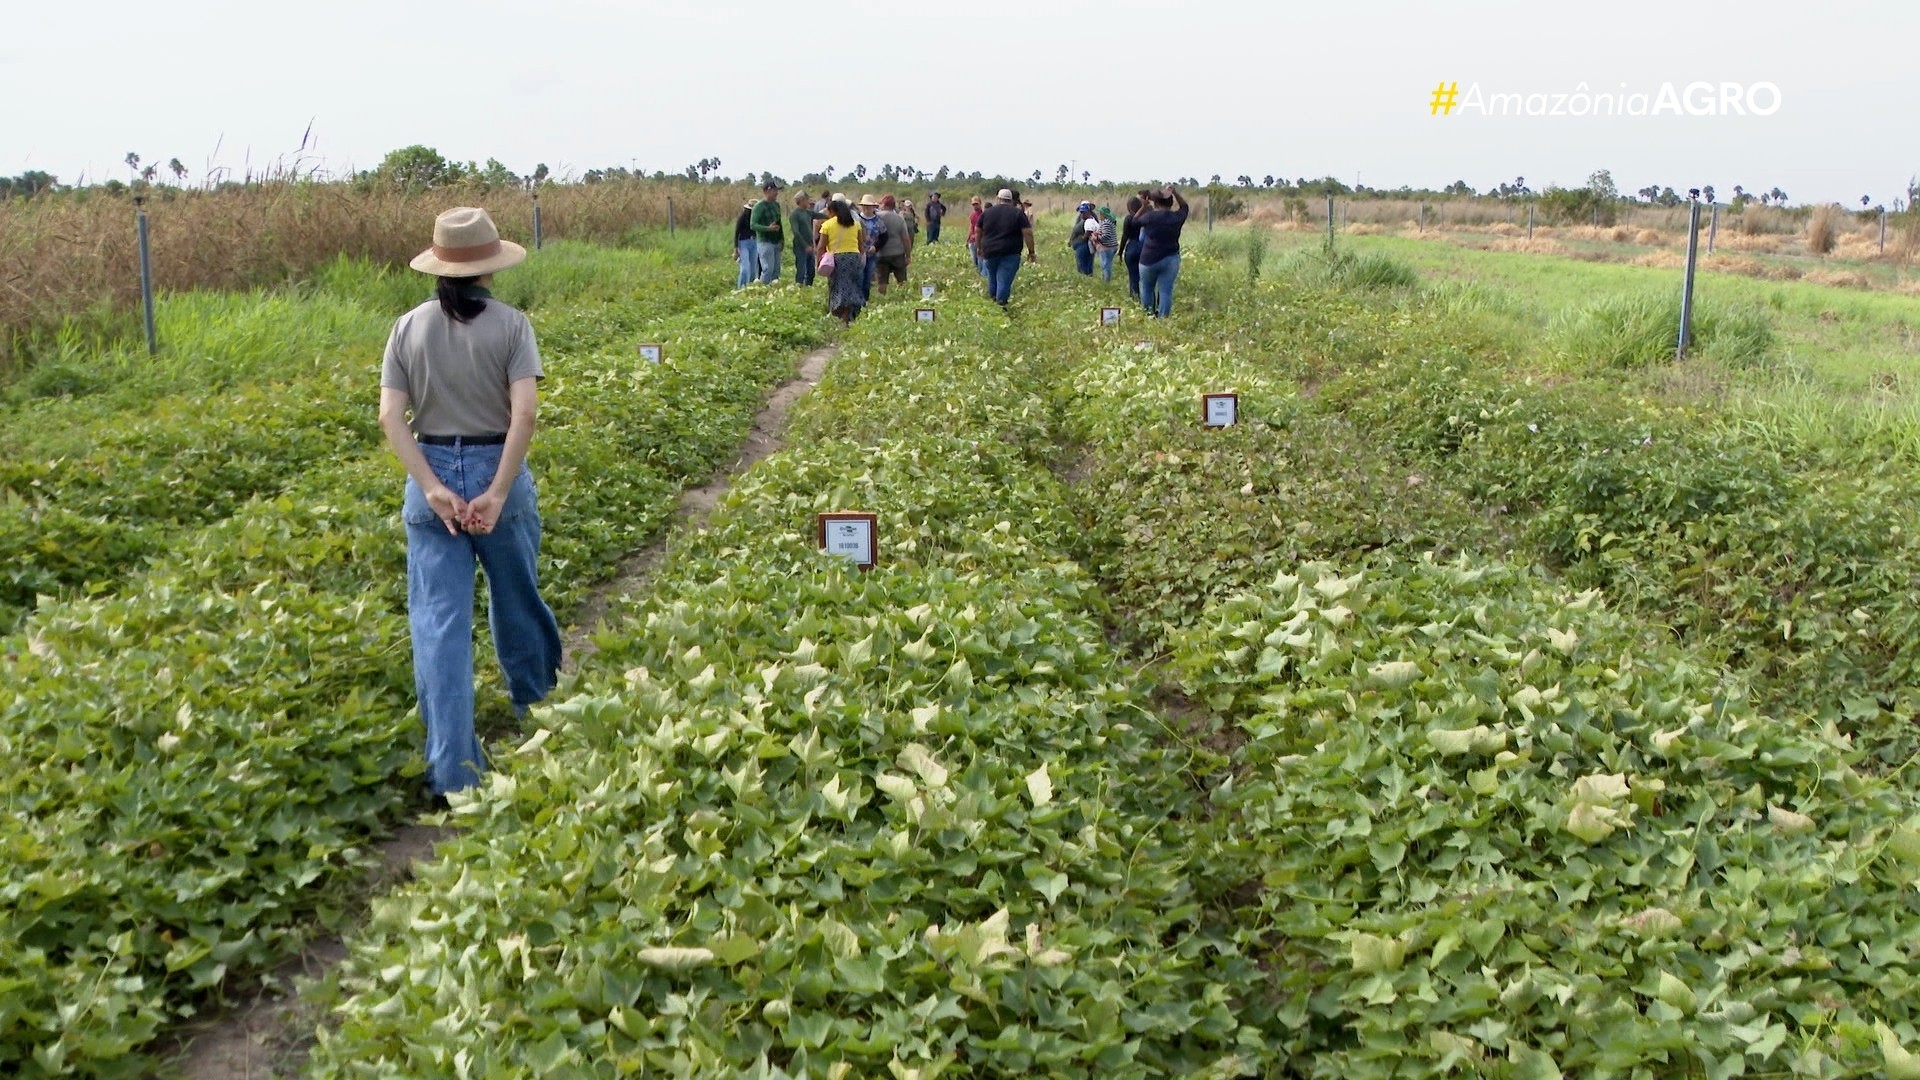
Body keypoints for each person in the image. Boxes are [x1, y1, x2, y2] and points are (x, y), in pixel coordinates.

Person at [378, 207, 561, 804]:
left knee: (440, 625)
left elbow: (389, 417)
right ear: (489, 267)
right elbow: (525, 413)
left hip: (429, 476)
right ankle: (542, 722)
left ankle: (451, 772)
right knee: (517, 600)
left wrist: (432, 486)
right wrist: (499, 490)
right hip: (495, 470)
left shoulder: (407, 327)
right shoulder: (512, 326)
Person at [976, 188, 1036, 307]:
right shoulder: (1018, 213)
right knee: (1003, 280)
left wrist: (979, 247)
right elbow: (1028, 233)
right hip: (1010, 253)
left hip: (990, 251)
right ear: (1011, 200)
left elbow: (977, 231)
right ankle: (1000, 306)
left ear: (998, 199)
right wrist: (1031, 252)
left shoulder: (987, 213)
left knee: (992, 279)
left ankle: (993, 306)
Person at [1137, 185, 1190, 317]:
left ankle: (1149, 316)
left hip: (1148, 258)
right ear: (1171, 203)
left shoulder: (1150, 217)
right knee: (1166, 291)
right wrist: (1175, 192)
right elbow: (1185, 207)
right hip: (1170, 258)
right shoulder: (1177, 217)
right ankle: (1163, 319)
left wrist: (1143, 206)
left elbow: (1134, 221)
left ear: (1155, 203)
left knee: (1147, 289)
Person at [817, 196, 870, 325]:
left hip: (837, 259)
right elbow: (860, 244)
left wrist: (818, 262)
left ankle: (840, 316)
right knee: (853, 286)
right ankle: (850, 314)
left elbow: (821, 247)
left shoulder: (827, 225)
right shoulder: (855, 224)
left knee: (837, 286)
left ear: (833, 212)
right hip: (853, 257)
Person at [874, 195, 912, 295]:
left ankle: (882, 299)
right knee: (901, 279)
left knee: (882, 281)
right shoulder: (899, 218)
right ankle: (903, 297)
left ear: (884, 204)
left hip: (881, 253)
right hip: (897, 252)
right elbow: (905, 239)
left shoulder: (877, 217)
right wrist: (908, 255)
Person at [750, 180, 785, 285]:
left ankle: (773, 293)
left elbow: (779, 223)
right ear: (768, 191)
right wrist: (768, 228)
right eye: (775, 190)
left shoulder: (776, 205)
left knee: (776, 270)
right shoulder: (759, 206)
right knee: (767, 269)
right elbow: (753, 225)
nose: (777, 193)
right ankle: (762, 291)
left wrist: (781, 238)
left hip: (776, 241)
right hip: (765, 242)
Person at [790, 192, 825, 286]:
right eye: (807, 199)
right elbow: (796, 232)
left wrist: (831, 215)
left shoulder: (808, 212)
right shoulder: (795, 214)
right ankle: (799, 288)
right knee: (801, 270)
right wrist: (805, 246)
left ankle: (808, 288)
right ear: (802, 200)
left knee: (811, 271)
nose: (808, 202)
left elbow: (819, 215)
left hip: (810, 245)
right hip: (800, 246)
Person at [854, 195, 885, 300]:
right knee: (859, 277)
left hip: (871, 254)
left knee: (868, 278)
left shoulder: (878, 221)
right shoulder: (857, 219)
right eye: (864, 206)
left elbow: (884, 236)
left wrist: (876, 247)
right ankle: (858, 299)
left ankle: (864, 300)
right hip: (858, 254)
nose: (866, 208)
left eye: (868, 206)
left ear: (873, 207)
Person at [1120, 194, 1147, 300]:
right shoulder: (1145, 218)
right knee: (1144, 277)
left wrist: (1120, 251)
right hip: (1143, 247)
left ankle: (1134, 297)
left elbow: (1125, 236)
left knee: (1133, 276)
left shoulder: (1128, 219)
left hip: (1131, 247)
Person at [732, 200, 758, 288]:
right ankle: (741, 287)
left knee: (753, 268)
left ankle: (750, 287)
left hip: (754, 242)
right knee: (745, 268)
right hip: (743, 243)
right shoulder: (742, 217)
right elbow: (736, 233)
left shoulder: (757, 217)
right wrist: (736, 248)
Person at [1069, 201, 1096, 276]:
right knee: (1085, 262)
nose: (1082, 213)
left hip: (1085, 243)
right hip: (1082, 243)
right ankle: (1087, 275)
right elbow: (1075, 229)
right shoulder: (1081, 218)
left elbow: (1090, 230)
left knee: (1084, 262)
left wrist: (1084, 237)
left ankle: (1086, 276)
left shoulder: (1091, 218)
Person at [1095, 205, 1119, 282]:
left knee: (1106, 265)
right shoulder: (1109, 222)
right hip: (1111, 246)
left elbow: (1106, 236)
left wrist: (1097, 238)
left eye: (1100, 214)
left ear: (1103, 214)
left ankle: (1106, 280)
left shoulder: (1106, 223)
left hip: (1107, 247)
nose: (1099, 215)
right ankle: (1105, 278)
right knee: (1106, 264)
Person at [967, 194, 986, 275]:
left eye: (976, 204)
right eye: (973, 204)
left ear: (980, 203)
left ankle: (981, 275)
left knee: (980, 259)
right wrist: (967, 239)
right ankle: (977, 275)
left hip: (980, 240)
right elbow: (971, 226)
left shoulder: (984, 215)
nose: (975, 206)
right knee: (974, 259)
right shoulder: (972, 215)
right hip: (972, 240)